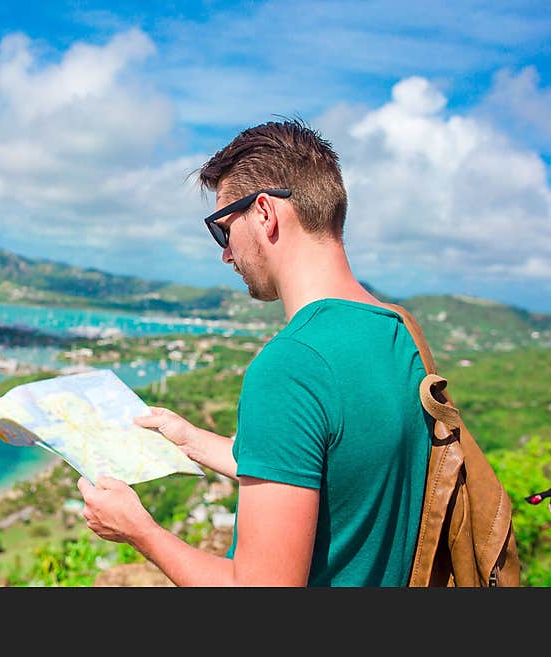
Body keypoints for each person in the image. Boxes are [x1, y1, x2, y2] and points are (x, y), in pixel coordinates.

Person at [77, 119, 432, 586]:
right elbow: (333, 470)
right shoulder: (398, 332)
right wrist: (191, 441)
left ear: (263, 212)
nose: (225, 255)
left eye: (222, 231)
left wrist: (139, 531)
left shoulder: (292, 365)